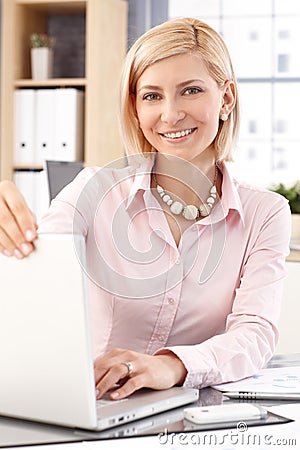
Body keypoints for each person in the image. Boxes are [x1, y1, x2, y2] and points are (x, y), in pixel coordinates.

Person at [0, 17, 291, 401]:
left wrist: (171, 365)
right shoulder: (94, 190)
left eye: (190, 90)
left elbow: (255, 333)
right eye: (152, 96)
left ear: (226, 99)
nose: (170, 114)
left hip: (193, 414)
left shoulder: (265, 213)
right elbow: (31, 279)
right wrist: (12, 240)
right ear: (135, 108)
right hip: (90, 406)